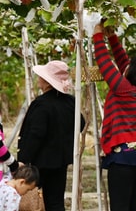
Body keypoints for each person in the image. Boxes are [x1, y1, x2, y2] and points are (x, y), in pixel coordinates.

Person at [93, 22, 136, 211]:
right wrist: (111, 36)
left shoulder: (123, 90)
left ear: (130, 75)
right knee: (134, 206)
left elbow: (104, 62)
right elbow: (123, 61)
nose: (125, 67)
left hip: (124, 160)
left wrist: (97, 35)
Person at [17, 60, 86, 211]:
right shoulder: (70, 102)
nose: (39, 79)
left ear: (47, 81)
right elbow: (80, 124)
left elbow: (35, 134)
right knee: (55, 201)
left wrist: (23, 159)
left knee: (36, 201)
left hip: (39, 162)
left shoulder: (42, 104)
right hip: (60, 161)